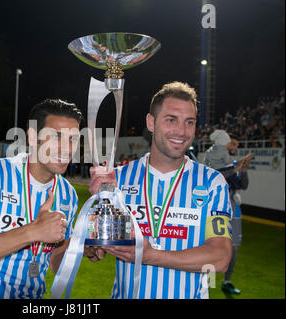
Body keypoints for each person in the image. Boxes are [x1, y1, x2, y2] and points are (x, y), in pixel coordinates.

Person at [86, 82, 233, 299]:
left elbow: (220, 258)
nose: (181, 131)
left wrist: (151, 256)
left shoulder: (212, 182)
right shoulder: (119, 178)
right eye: (171, 120)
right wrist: (94, 238)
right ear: (151, 122)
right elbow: (96, 247)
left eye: (189, 122)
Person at [0, 98, 82, 299]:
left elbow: (55, 260)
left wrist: (81, 249)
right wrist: (34, 230)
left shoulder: (67, 194)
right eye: (56, 137)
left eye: (73, 139)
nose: (66, 148)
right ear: (32, 136)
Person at [203, 130, 253, 295]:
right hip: (214, 210)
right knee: (210, 247)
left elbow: (243, 184)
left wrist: (243, 169)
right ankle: (208, 283)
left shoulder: (232, 163)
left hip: (234, 210)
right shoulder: (214, 159)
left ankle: (227, 281)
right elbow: (219, 174)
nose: (233, 146)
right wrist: (236, 166)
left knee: (235, 248)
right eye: (232, 143)